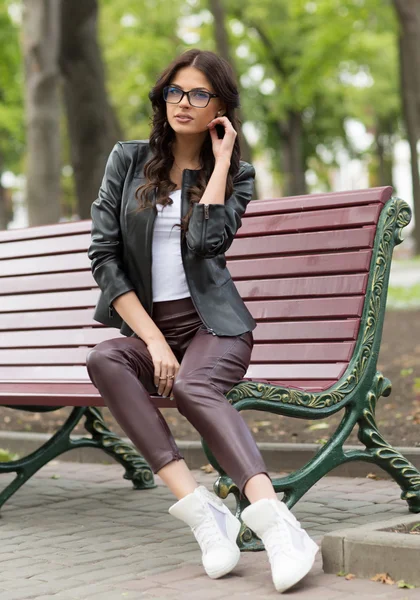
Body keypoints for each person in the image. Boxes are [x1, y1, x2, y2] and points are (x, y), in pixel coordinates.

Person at [86, 48, 318, 593]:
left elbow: (206, 243)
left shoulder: (236, 175)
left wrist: (220, 163)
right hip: (154, 331)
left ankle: (278, 523)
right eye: (174, 91)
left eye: (197, 94)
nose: (183, 103)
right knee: (105, 359)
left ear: (219, 106)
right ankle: (202, 511)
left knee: (194, 385)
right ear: (162, 97)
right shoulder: (127, 160)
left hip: (215, 327)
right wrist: (152, 341)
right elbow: (104, 257)